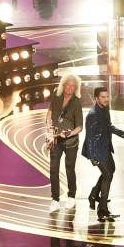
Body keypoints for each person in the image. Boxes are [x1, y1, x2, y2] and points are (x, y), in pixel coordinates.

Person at [81, 86, 124, 221]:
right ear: (96, 98)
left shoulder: (105, 108)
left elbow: (109, 126)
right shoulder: (92, 115)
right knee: (108, 175)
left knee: (111, 170)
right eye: (103, 97)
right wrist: (93, 158)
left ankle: (94, 194)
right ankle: (102, 210)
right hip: (96, 150)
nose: (106, 99)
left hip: (104, 147)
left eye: (107, 96)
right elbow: (90, 138)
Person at [45, 73, 84, 211]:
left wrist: (69, 133)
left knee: (69, 169)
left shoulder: (76, 103)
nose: (70, 88)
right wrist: (49, 127)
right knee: (53, 169)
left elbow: (80, 127)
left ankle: (71, 197)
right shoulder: (57, 97)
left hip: (70, 141)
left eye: (73, 86)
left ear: (76, 88)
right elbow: (50, 112)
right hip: (55, 139)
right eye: (68, 85)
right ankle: (55, 199)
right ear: (63, 85)